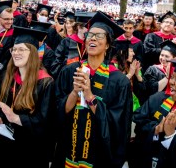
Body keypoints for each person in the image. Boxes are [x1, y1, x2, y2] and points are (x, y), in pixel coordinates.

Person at [53, 11, 133, 168]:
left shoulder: (119, 81)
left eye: (99, 36)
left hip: (100, 154)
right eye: (90, 35)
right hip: (69, 148)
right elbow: (57, 111)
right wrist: (75, 92)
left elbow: (119, 123)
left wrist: (89, 96)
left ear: (108, 44)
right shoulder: (70, 71)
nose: (93, 39)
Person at [0, 26, 56, 168]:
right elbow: (5, 105)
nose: (16, 53)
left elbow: (45, 122)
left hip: (31, 148)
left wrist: (16, 118)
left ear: (32, 53)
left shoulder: (46, 83)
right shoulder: (10, 77)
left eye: (21, 49)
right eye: (14, 49)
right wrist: (0, 117)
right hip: (7, 142)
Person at [0, 0, 15, 73]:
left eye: (11, 19)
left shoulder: (14, 34)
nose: (10, 22)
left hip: (6, 71)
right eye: (6, 19)